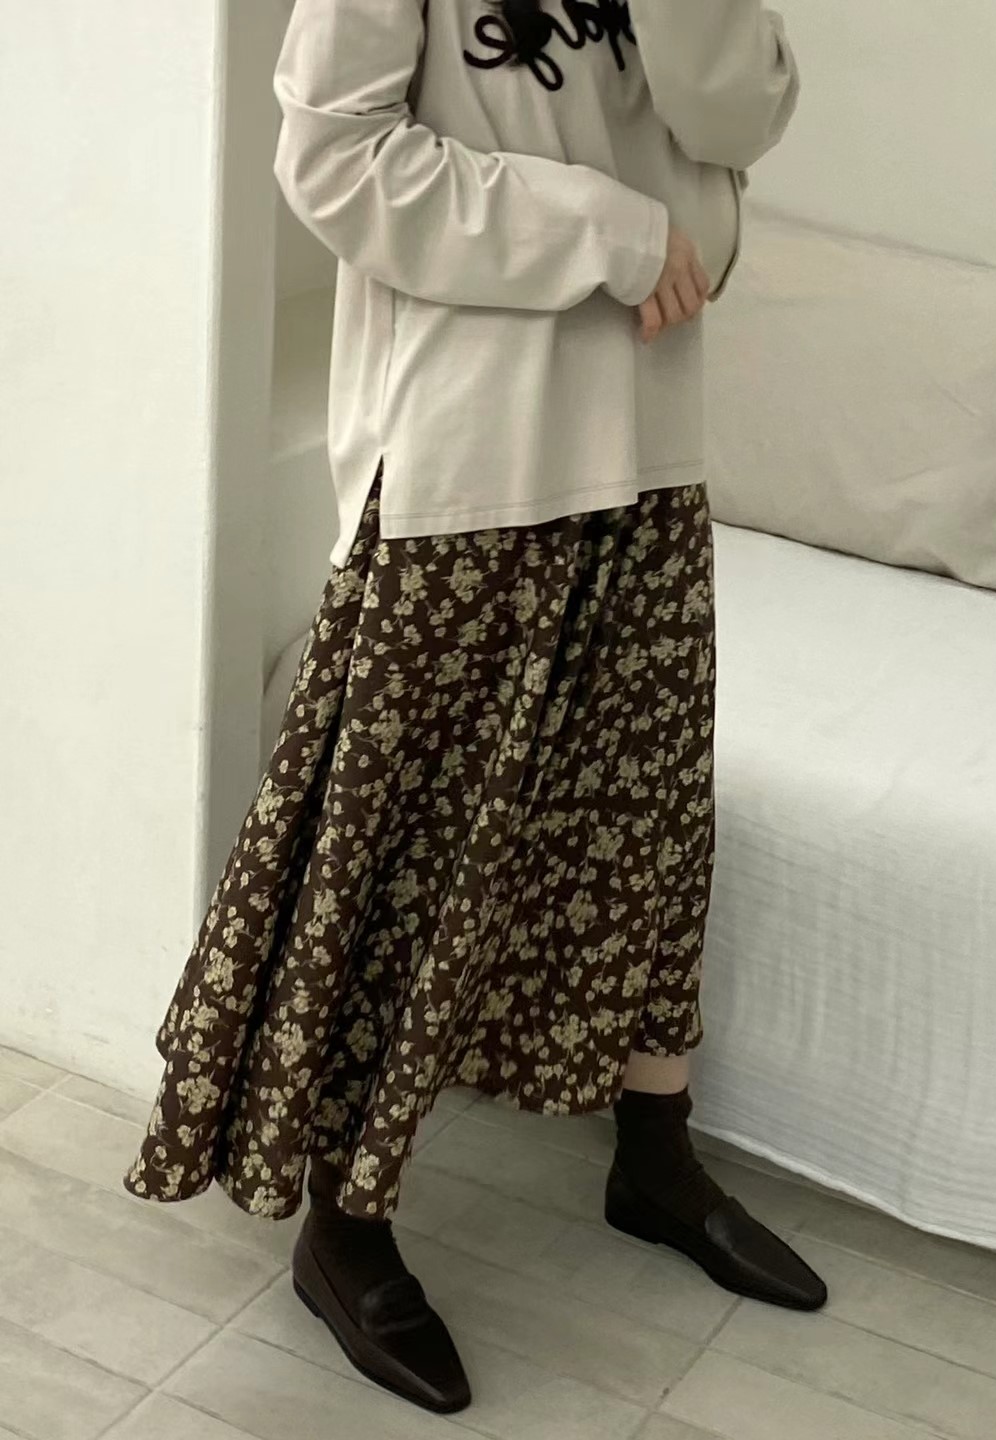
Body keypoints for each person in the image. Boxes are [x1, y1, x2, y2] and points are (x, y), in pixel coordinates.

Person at [124, 0, 823, 1416]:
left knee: (642, 817)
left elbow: (740, 119)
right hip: (469, 444)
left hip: (652, 427)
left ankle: (653, 1153)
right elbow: (330, 155)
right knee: (402, 843)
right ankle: (345, 1222)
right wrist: (612, 229)